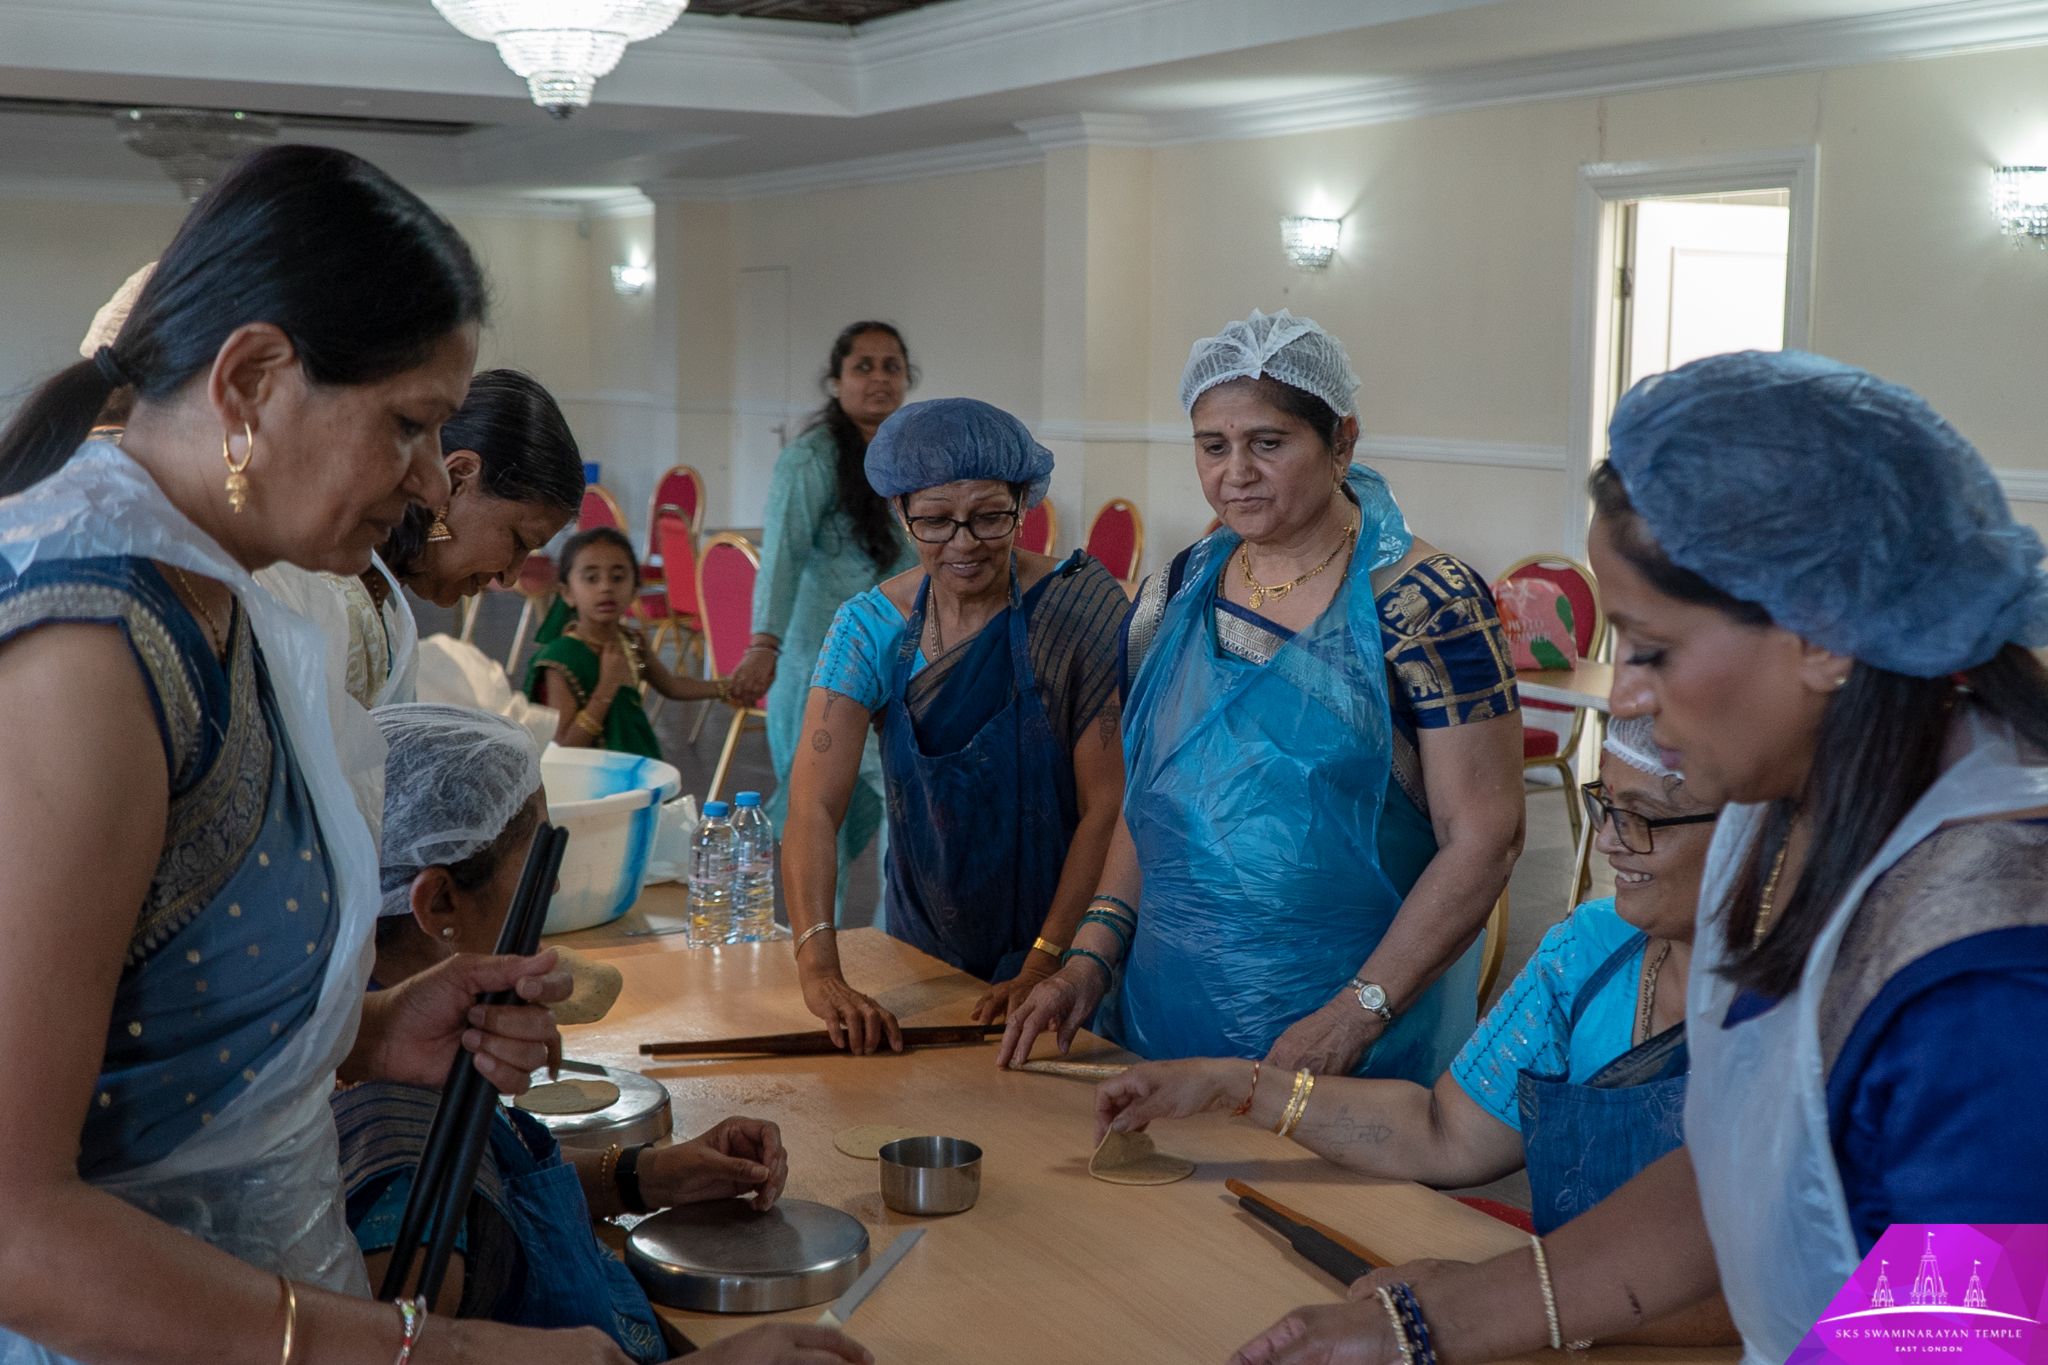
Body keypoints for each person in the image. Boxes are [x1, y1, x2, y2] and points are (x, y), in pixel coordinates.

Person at [1229, 350, 2048, 1365]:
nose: (1623, 697)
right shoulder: (1797, 813)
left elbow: (1960, 1337)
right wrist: (1434, 1322)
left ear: (1825, 635)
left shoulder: (1990, 979)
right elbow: (1744, 1169)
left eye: (1650, 649)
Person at [0, 144, 617, 1364]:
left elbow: (147, 1008)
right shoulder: (84, 655)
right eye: (406, 425)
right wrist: (438, 1351)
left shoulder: (235, 591)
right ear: (254, 379)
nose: (432, 486)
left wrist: (373, 1031)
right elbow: (16, 1228)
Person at [1000, 310, 1525, 1085]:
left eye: (1268, 443)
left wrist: (1354, 1015)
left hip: (1344, 1048)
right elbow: (1153, 802)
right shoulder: (1175, 594)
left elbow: (1486, 839)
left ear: (1342, 441)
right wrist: (1090, 955)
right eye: (1213, 446)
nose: (1234, 472)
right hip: (1159, 1019)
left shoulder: (1426, 605)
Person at [1095, 717, 1724, 1268]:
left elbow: (1819, 1316)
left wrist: (1520, 1307)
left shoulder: (1817, 1015)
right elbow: (1442, 1132)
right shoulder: (1590, 953)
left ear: (1756, 827)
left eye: (1643, 818)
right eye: (1605, 805)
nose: (1609, 840)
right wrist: (1232, 1084)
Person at [338, 704, 855, 1365]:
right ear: (439, 902)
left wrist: (646, 1175)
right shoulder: (398, 1171)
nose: (553, 880)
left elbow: (496, 1202)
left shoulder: (414, 1046)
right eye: (539, 854)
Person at [781, 399, 1129, 1052]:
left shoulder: (1079, 610)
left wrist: (1046, 960)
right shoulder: (869, 628)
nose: (964, 545)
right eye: (936, 522)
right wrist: (819, 967)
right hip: (924, 947)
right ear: (899, 510)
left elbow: (1106, 805)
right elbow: (812, 806)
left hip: (1069, 953)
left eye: (990, 518)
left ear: (1024, 501)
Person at [727, 323, 919, 920]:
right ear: (836, 381)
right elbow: (780, 557)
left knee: (902, 807)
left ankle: (900, 949)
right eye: (864, 367)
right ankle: (815, 955)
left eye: (892, 366)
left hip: (901, 664)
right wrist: (765, 644)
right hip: (821, 668)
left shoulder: (916, 457)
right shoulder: (809, 460)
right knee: (820, 816)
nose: (879, 379)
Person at [525, 528, 729, 758]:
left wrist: (728, 687)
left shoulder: (630, 641)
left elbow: (672, 686)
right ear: (567, 593)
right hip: (591, 781)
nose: (606, 587)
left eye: (618, 577)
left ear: (634, 590)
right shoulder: (561, 656)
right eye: (591, 578)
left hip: (637, 765)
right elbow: (564, 747)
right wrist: (607, 687)